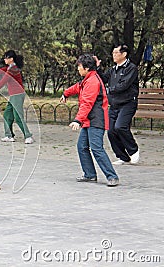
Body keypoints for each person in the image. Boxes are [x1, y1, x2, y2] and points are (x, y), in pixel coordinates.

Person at [60, 54, 119, 187]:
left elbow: (87, 103)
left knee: (96, 148)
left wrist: (77, 120)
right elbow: (77, 87)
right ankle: (90, 174)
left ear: (86, 68)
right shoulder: (88, 78)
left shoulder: (93, 81)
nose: (78, 69)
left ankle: (112, 176)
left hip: (96, 120)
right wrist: (66, 93)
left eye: (79, 66)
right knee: (82, 147)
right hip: (89, 120)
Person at [94, 44, 140, 165]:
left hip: (128, 103)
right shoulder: (113, 69)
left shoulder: (131, 68)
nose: (113, 55)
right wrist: (97, 68)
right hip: (115, 104)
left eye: (116, 53)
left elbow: (124, 85)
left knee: (120, 127)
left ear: (124, 54)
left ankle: (133, 151)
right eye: (113, 53)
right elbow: (102, 79)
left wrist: (109, 90)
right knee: (111, 131)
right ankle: (123, 157)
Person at [0, 50, 34, 144]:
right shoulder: (10, 67)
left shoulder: (13, 69)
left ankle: (28, 136)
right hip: (13, 95)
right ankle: (9, 136)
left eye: (6, 58)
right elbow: (0, 71)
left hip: (17, 94)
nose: (4, 59)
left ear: (11, 59)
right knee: (7, 114)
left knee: (18, 116)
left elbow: (3, 80)